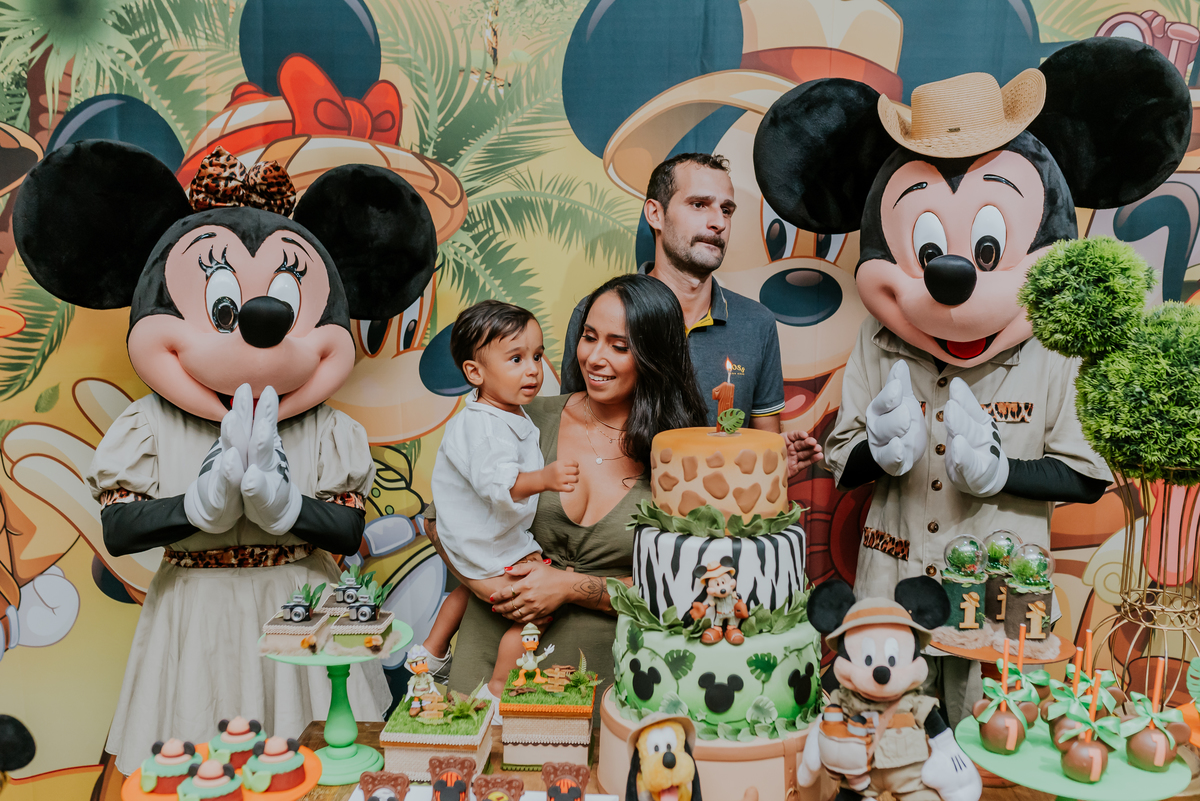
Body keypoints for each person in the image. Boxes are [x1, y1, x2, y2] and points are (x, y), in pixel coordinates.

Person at [427, 274, 710, 703]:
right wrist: (487, 587)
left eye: (619, 346)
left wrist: (566, 586)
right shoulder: (517, 418)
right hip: (485, 667)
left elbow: (683, 592)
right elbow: (440, 518)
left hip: (601, 679)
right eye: (589, 337)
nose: (594, 357)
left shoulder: (680, 455)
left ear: (655, 356)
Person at [559, 152, 822, 472]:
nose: (719, 222)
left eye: (726, 209)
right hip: (617, 515)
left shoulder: (756, 324)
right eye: (699, 204)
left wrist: (776, 463)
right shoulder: (596, 315)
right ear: (655, 213)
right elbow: (571, 433)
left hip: (716, 516)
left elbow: (764, 449)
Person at [419, 301, 579, 697]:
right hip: (486, 542)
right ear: (475, 372)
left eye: (538, 356)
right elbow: (501, 486)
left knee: (463, 588)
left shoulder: (503, 413)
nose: (533, 369)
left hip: (481, 538)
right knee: (537, 607)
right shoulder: (485, 427)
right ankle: (500, 684)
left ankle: (432, 650)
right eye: (516, 358)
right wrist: (546, 478)